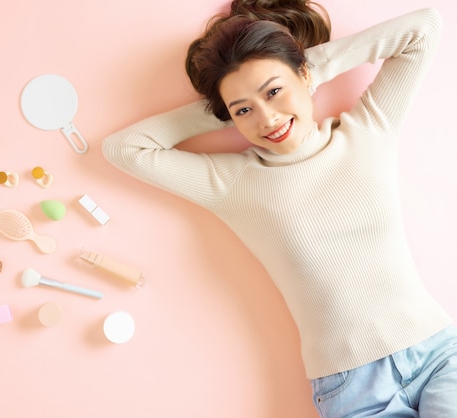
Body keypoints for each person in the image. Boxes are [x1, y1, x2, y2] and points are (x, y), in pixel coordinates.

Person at [102, 0, 457, 416]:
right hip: (354, 390)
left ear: (305, 74)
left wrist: (307, 69)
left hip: (438, 354)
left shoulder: (367, 132)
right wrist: (227, 106)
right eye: (245, 111)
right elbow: (123, 149)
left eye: (274, 92)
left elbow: (425, 28)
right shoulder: (233, 183)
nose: (267, 118)